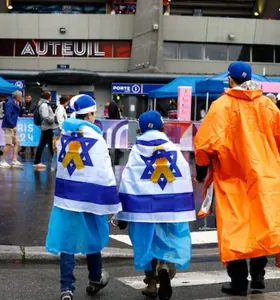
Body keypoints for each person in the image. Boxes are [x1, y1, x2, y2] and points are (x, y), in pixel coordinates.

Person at [194, 61, 280, 297]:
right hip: (265, 177)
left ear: (230, 80)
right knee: (260, 224)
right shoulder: (268, 107)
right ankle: (259, 276)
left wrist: (201, 172)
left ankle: (239, 281)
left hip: (231, 179)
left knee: (235, 229)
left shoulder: (221, 107)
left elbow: (204, 145)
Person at [45, 94, 122, 300]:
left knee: (66, 241)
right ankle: (95, 278)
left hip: (67, 195)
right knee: (93, 237)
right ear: (89, 114)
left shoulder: (65, 136)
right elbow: (104, 170)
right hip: (90, 195)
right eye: (93, 113)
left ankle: (66, 288)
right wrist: (111, 199)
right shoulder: (96, 138)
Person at [115, 111, 195, 300]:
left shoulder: (137, 150)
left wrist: (123, 211)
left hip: (143, 207)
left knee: (146, 242)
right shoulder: (172, 149)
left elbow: (128, 179)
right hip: (170, 205)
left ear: (140, 129)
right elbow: (183, 177)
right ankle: (165, 265)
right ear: (162, 127)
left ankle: (151, 282)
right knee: (167, 238)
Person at [33, 91, 58, 170]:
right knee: (50, 146)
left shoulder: (43, 104)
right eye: (50, 96)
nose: (51, 98)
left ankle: (37, 162)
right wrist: (52, 119)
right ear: (48, 97)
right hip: (47, 127)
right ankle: (55, 163)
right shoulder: (44, 105)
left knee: (45, 145)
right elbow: (45, 116)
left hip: (46, 127)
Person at [0, 91, 24, 169]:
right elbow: (7, 114)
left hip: (13, 125)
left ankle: (14, 160)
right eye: (20, 96)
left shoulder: (15, 103)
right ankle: (2, 161)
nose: (21, 98)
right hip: (9, 126)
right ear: (17, 97)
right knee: (8, 143)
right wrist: (12, 124)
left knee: (17, 142)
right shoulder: (10, 103)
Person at [51, 96, 69, 170]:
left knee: (58, 148)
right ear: (65, 102)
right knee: (58, 148)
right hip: (59, 130)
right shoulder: (61, 109)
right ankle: (54, 166)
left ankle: (55, 166)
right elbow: (60, 120)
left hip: (58, 129)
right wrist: (62, 130)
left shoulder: (60, 108)